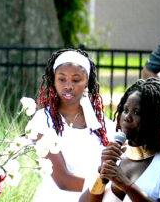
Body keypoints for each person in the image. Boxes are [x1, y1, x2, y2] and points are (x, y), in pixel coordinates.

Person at [80, 78, 160, 202]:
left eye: (137, 112)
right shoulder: (116, 156)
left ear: (155, 119)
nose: (127, 117)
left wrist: (125, 184)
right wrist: (101, 175)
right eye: (125, 110)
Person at [26, 49, 115, 201]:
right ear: (53, 80)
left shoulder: (105, 127)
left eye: (76, 80)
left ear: (87, 81)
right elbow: (63, 180)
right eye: (62, 79)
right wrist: (107, 189)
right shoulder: (43, 121)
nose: (68, 86)